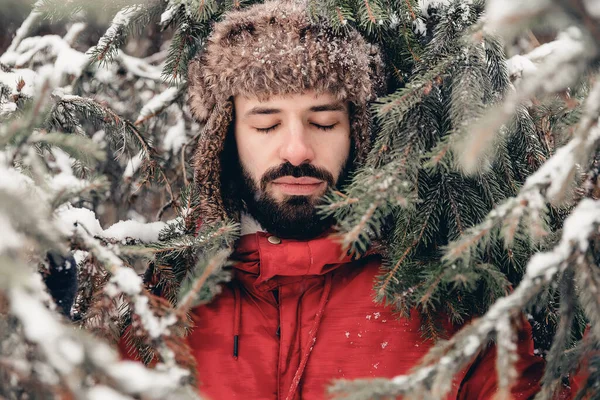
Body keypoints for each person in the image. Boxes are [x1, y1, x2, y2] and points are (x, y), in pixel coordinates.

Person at [143, 2, 546, 399]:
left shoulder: (441, 297)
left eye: (323, 122)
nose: (297, 151)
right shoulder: (166, 301)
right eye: (267, 124)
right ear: (226, 137)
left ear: (358, 131)